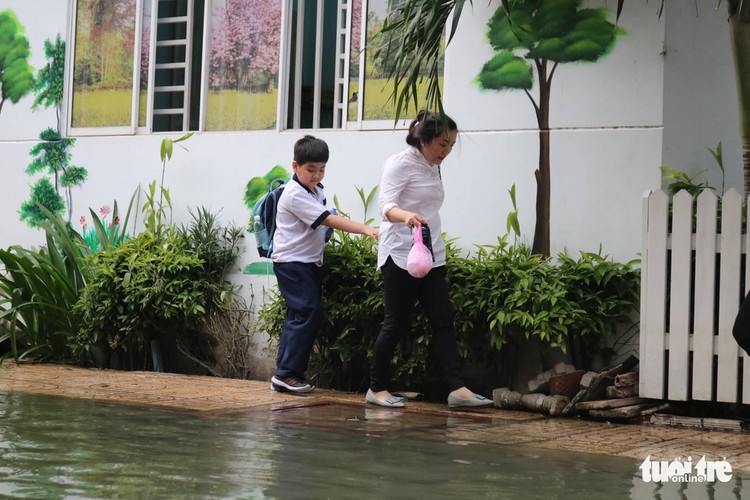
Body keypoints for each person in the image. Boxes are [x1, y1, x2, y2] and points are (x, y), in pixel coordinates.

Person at [366, 110, 493, 409]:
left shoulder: (433, 165)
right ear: (423, 141)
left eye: (451, 145)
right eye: (442, 145)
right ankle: (376, 389)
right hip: (400, 253)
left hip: (431, 253)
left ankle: (458, 389)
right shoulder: (399, 164)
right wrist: (406, 216)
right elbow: (386, 206)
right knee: (395, 323)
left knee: (443, 320)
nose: (446, 151)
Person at [271, 135, 379, 394]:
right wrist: (364, 228)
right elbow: (327, 220)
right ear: (295, 166)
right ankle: (287, 374)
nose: (317, 175)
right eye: (311, 170)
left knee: (299, 314)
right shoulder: (294, 194)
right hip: (293, 263)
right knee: (308, 312)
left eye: (321, 169)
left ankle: (283, 374)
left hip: (307, 262)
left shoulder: (314, 190)